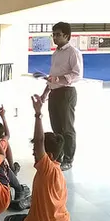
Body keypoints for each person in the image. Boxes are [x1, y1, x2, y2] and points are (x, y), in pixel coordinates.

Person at [3, 95, 108, 221]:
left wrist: (38, 114)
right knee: (42, 216)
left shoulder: (47, 168)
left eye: (35, 152)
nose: (34, 153)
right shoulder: (58, 172)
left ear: (49, 156)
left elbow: (39, 141)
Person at [39, 22, 83, 171]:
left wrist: (60, 80)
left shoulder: (73, 52)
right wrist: (45, 93)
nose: (55, 37)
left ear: (66, 35)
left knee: (67, 127)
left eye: (58, 34)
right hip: (54, 92)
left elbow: (77, 75)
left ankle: (69, 159)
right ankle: (59, 155)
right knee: (56, 126)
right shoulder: (56, 54)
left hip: (66, 92)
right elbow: (52, 76)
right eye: (54, 34)